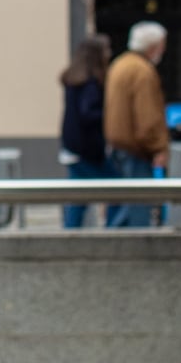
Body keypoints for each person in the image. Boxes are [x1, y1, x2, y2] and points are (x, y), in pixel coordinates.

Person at [103, 20, 169, 229]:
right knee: (137, 209)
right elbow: (147, 116)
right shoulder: (142, 71)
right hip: (135, 149)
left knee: (123, 204)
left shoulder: (120, 64)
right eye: (162, 44)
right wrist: (158, 147)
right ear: (153, 46)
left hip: (118, 145)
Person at [60, 32, 114, 228]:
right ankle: (115, 229)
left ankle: (69, 234)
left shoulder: (73, 79)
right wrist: (110, 114)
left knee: (78, 198)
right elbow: (88, 113)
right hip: (88, 149)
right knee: (120, 190)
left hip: (72, 146)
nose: (109, 54)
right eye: (106, 50)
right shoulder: (91, 83)